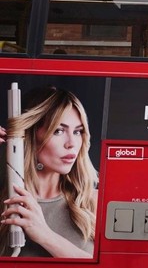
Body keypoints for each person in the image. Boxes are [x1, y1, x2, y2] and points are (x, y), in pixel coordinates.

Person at [0, 86, 98, 257]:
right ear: (30, 135)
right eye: (58, 131)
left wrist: (44, 234)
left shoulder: (93, 202)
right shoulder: (6, 203)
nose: (71, 143)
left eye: (78, 132)